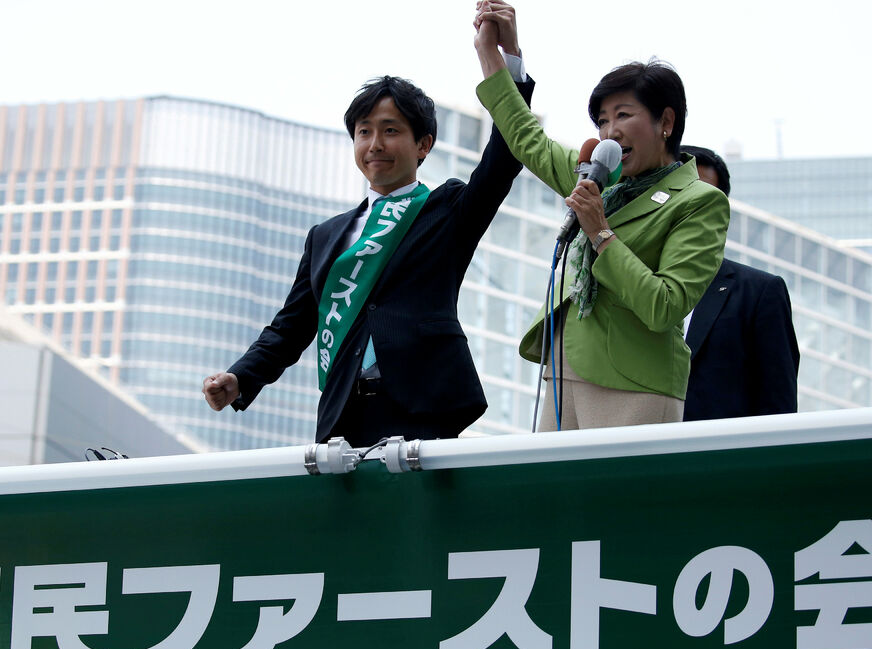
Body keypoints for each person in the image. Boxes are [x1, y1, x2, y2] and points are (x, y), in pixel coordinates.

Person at [203, 28, 535, 446]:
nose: (375, 144)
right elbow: (290, 328)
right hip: (345, 413)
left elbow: (502, 160)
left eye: (391, 131)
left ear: (423, 144)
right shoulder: (325, 236)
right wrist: (240, 376)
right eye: (364, 132)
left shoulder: (447, 209)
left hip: (425, 406)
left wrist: (508, 64)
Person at [473, 1, 729, 430]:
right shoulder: (598, 179)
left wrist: (600, 232)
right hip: (563, 368)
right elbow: (526, 139)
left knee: (625, 499)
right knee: (557, 498)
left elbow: (664, 306)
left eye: (623, 116)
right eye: (602, 120)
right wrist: (496, 55)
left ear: (665, 120)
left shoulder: (698, 200)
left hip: (636, 385)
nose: (609, 131)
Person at [680, 145, 800, 420]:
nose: (688, 208)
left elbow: (778, 410)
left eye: (704, 198)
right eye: (679, 194)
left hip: (721, 458)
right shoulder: (615, 285)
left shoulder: (759, 293)